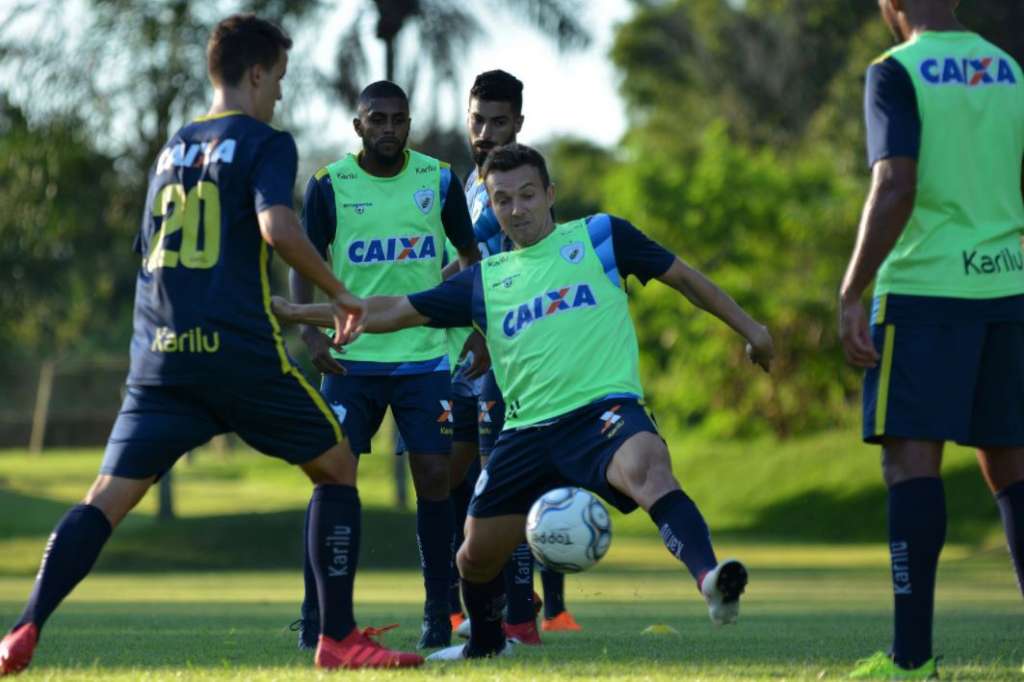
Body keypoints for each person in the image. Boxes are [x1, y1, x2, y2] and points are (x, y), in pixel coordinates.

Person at [0, 14, 425, 675]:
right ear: (256, 73)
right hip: (237, 355)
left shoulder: (172, 148)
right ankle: (338, 638)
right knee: (338, 466)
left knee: (104, 499)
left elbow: (149, 254)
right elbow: (277, 227)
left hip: (160, 358)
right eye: (279, 79)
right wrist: (338, 294)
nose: (280, 94)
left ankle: (23, 628)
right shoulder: (263, 141)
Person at [273, 143, 774, 660]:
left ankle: (710, 580)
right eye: (503, 199)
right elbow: (390, 310)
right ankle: (487, 646)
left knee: (649, 468)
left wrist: (752, 329)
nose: (517, 209)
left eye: (528, 195)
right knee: (473, 559)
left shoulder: (601, 236)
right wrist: (299, 311)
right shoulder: (484, 280)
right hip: (525, 434)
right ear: (491, 207)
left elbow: (686, 280)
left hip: (601, 413)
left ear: (550, 194)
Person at [838, 1, 1024, 678]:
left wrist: (852, 290)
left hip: (925, 291)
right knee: (1011, 467)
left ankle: (910, 660)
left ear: (892, 4)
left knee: (910, 466)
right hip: (1007, 287)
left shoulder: (895, 70)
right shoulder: (1007, 70)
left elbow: (895, 183)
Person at [290, 80, 480, 650]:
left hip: (424, 356)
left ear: (409, 124)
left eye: (398, 119)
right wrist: (310, 328)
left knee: (435, 478)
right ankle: (317, 618)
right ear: (359, 126)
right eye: (377, 119)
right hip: (351, 360)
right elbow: (303, 257)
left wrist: (430, 299)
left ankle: (436, 613)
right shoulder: (328, 184)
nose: (389, 128)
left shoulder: (438, 179)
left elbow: (470, 257)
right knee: (331, 478)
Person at [448, 70, 580, 646]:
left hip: (517, 362)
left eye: (498, 122)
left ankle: (524, 620)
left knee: (511, 491)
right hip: (472, 363)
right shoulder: (468, 185)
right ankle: (483, 612)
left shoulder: (521, 186)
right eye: (477, 120)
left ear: (518, 124)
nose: (485, 132)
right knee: (474, 487)